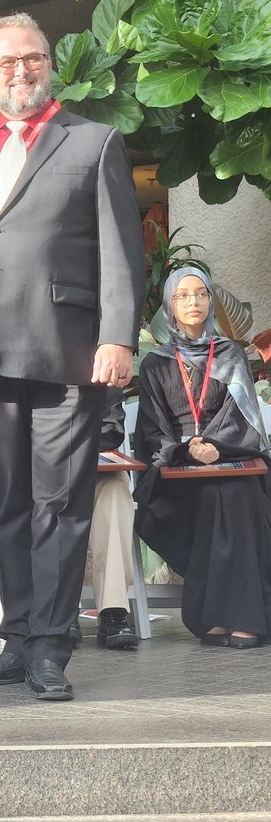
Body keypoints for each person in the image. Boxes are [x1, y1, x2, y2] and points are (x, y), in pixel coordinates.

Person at [0, 11, 144, 702]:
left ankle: (52, 646)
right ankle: (17, 638)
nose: (20, 71)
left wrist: (119, 336)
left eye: (33, 58)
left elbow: (122, 250)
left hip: (67, 353)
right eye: (6, 62)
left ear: (49, 64)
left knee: (60, 501)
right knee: (11, 504)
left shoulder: (93, 141)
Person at [134, 268, 271, 648]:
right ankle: (218, 616)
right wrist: (186, 449)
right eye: (183, 296)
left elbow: (244, 419)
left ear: (210, 301)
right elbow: (151, 430)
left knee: (235, 495)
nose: (193, 302)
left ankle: (241, 619)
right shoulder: (155, 364)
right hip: (177, 470)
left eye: (201, 294)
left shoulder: (232, 355)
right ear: (169, 306)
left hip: (232, 458)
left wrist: (216, 447)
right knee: (213, 497)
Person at [88, 388, 139, 650]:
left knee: (117, 489)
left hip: (94, 464)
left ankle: (114, 610)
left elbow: (112, 430)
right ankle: (59, 612)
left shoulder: (102, 374)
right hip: (46, 469)